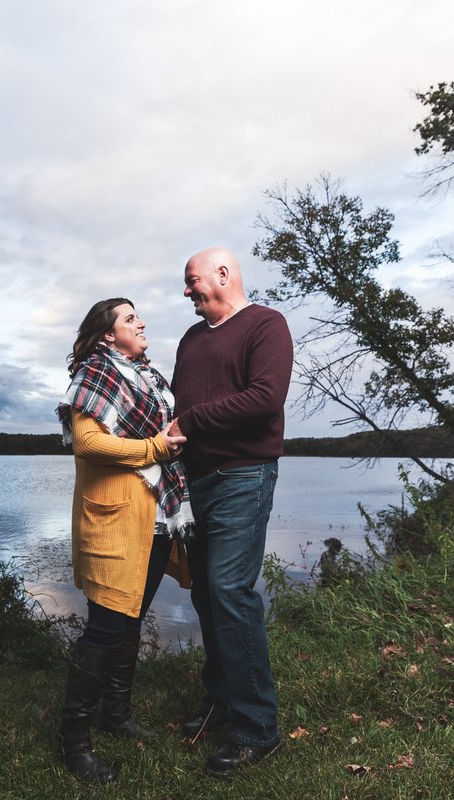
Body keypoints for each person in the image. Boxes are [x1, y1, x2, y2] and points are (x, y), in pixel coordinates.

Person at [55, 297, 194, 783]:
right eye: (130, 318)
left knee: (131, 617)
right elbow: (87, 442)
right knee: (107, 627)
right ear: (108, 334)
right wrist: (156, 446)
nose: (141, 322)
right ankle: (73, 742)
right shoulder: (96, 371)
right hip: (113, 518)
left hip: (155, 518)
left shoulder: (148, 377)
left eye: (138, 316)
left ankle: (116, 715)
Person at [169, 246, 293, 777]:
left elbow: (265, 398)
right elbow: (176, 407)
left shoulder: (266, 325)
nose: (187, 290)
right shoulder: (191, 339)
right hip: (193, 482)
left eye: (192, 279)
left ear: (223, 274)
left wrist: (192, 422)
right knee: (205, 593)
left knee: (229, 591)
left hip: (243, 475)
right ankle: (222, 699)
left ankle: (258, 729)